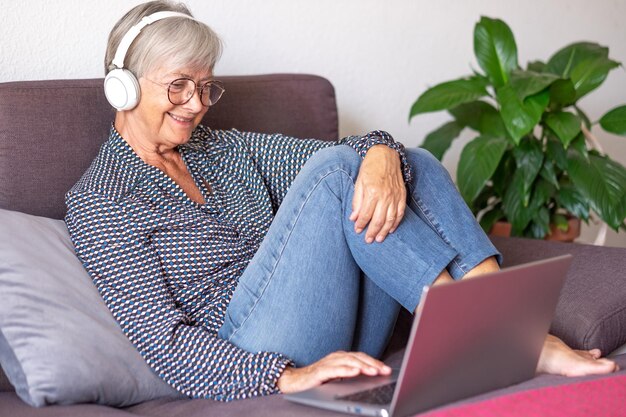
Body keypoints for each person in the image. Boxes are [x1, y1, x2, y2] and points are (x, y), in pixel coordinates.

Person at [65, 0, 618, 402]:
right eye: (179, 85)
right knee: (336, 176)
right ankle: (501, 339)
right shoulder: (101, 200)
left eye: (207, 87)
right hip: (259, 348)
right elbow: (164, 341)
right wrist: (282, 377)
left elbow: (361, 159)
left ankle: (513, 330)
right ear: (125, 87)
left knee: (410, 165)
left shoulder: (225, 149)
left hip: (347, 326)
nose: (196, 104)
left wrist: (381, 153)